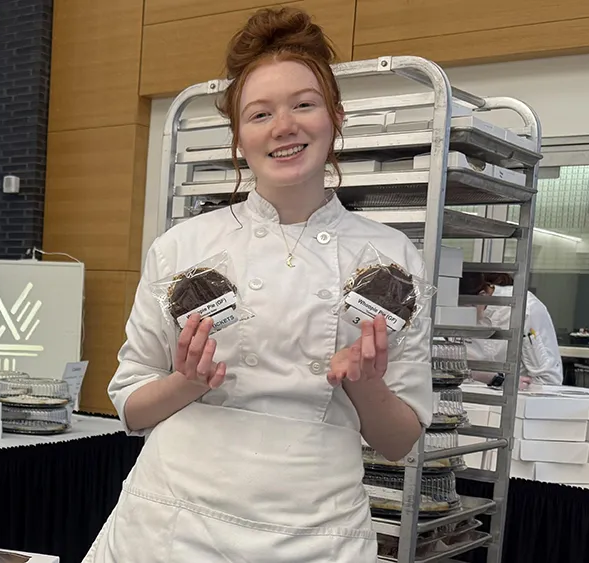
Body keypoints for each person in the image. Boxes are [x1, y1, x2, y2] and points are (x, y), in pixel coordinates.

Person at [82, 7, 432, 562]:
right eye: (259, 113)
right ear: (239, 138)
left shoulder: (390, 259)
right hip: (173, 525)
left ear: (335, 116)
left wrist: (364, 384)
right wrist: (188, 382)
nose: (283, 126)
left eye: (304, 104)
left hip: (319, 533)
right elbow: (130, 406)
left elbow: (399, 442)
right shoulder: (183, 249)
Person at [460, 272, 563, 388]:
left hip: (518, 398)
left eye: (462, 309)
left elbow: (549, 380)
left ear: (482, 296)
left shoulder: (524, 309)